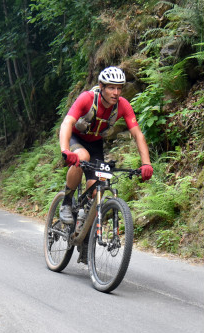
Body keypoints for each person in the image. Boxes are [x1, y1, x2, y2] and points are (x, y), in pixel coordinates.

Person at [59, 66, 154, 226]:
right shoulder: (87, 98)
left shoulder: (123, 105)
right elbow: (67, 122)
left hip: (95, 143)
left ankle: (84, 234)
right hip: (76, 138)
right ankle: (67, 202)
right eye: (111, 87)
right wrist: (65, 150)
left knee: (96, 190)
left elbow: (138, 134)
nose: (116, 92)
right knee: (82, 157)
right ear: (101, 87)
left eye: (119, 88)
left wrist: (146, 163)